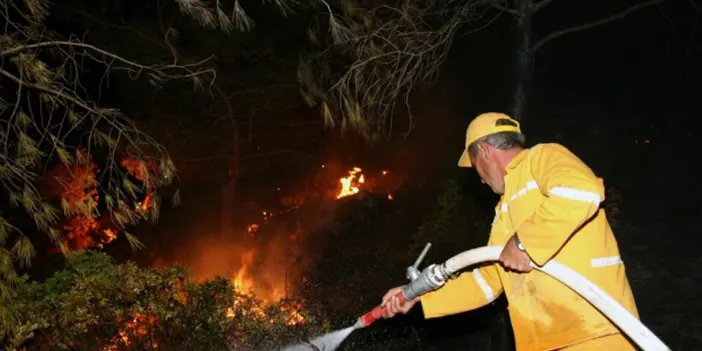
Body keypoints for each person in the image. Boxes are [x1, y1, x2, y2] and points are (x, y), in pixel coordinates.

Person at [381, 112, 639, 351]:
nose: (479, 179)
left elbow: (581, 191)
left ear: (483, 149)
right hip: (546, 340)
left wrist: (524, 243)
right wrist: (417, 296)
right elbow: (488, 281)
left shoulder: (542, 157)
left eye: (475, 165)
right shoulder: (506, 209)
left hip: (594, 331)